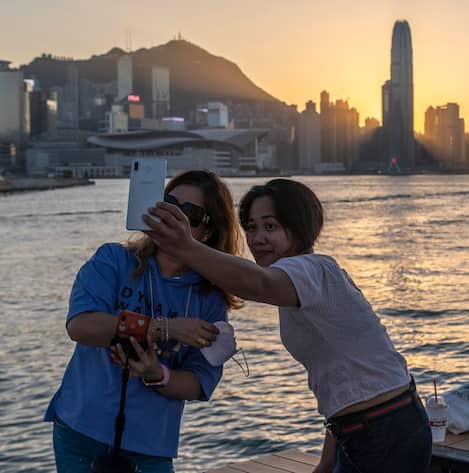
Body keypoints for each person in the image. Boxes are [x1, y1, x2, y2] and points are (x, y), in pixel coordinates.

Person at [145, 178, 433, 473]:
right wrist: (326, 460)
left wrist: (184, 246)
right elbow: (339, 379)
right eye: (252, 227)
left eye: (270, 227)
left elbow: (255, 282)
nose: (257, 238)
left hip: (386, 431)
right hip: (365, 428)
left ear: (299, 229)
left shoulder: (313, 270)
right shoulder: (299, 286)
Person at [45, 170, 242, 473]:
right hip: (78, 430)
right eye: (166, 203)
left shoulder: (208, 299)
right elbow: (81, 326)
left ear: (206, 231)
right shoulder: (113, 260)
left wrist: (156, 374)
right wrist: (164, 328)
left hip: (149, 447)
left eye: (187, 212)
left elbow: (199, 382)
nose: (170, 217)